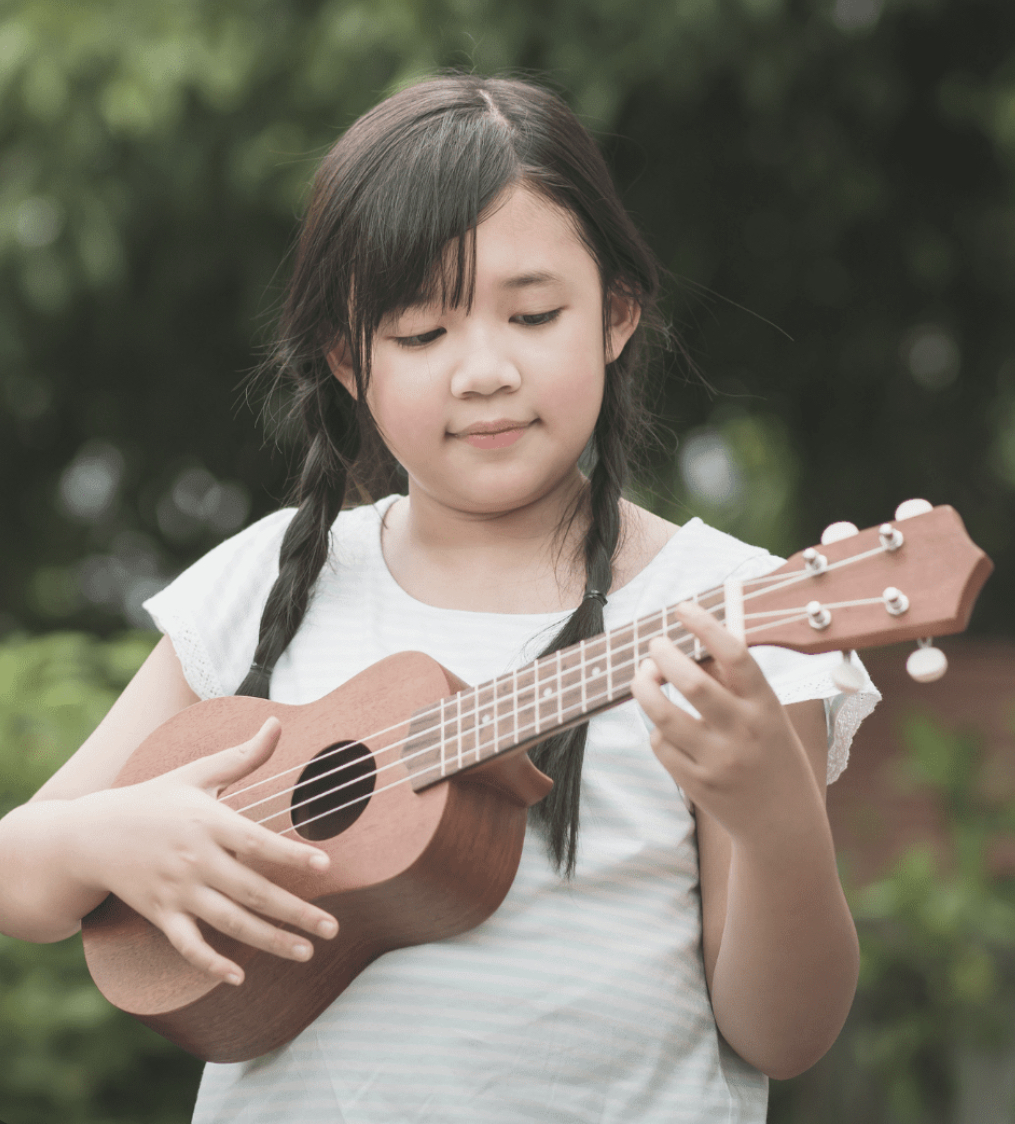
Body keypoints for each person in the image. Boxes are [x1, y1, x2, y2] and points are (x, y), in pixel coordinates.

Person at [0, 74, 879, 1122]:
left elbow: (782, 1030)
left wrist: (774, 816)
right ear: (346, 358)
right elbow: (21, 876)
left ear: (617, 313)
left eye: (535, 312)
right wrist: (109, 839)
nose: (483, 370)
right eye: (421, 334)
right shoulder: (270, 577)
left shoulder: (724, 609)